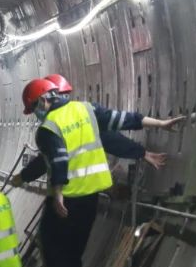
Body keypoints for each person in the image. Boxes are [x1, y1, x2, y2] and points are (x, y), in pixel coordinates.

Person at [21, 77, 185, 267]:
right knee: (73, 253)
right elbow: (121, 121)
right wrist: (160, 124)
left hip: (68, 198)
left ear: (43, 100)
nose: (36, 113)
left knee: (52, 247)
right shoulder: (87, 110)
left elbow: (58, 160)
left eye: (34, 107)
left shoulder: (49, 128)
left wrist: (57, 194)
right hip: (91, 198)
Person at [11, 74, 169, 185]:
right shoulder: (82, 112)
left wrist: (24, 177)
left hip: (71, 192)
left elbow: (111, 136)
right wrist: (144, 149)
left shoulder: (55, 126)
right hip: (87, 188)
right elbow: (114, 129)